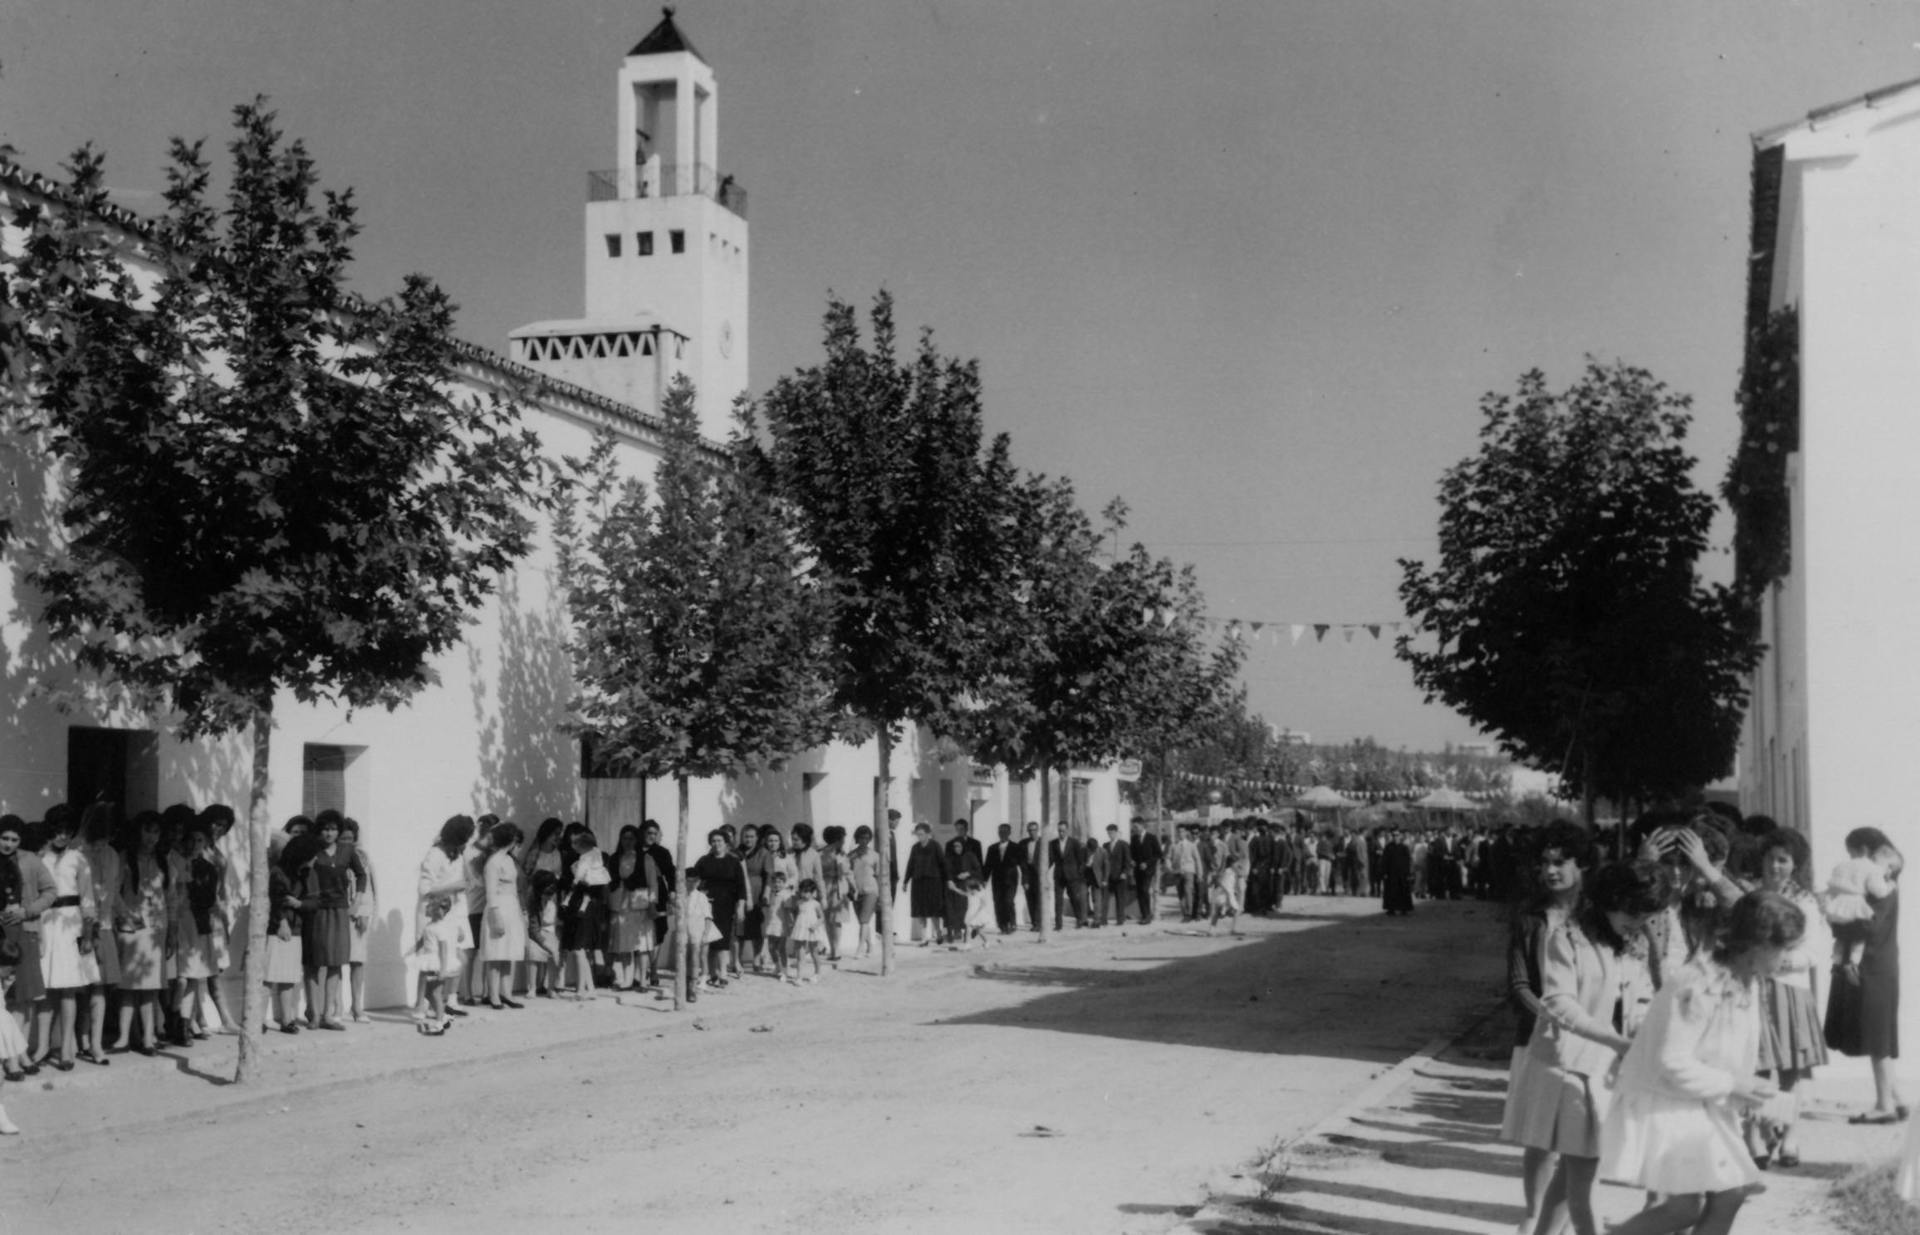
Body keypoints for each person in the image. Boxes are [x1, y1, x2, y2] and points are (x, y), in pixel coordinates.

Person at [1599, 891, 1803, 1235]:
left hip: (1695, 1101)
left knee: (1729, 1193)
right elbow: (1671, 1062)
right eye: (1782, 948)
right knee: (1686, 1207)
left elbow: (1727, 1059)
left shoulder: (1747, 983)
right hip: (1661, 1101)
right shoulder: (1698, 983)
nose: (1787, 959)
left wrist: (1752, 1097)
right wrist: (1734, 1086)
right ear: (1755, 944)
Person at [1518, 860, 1667, 1235]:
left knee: (1573, 1172)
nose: (1639, 922)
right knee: (1584, 1177)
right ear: (1610, 900)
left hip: (1606, 1072)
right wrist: (1617, 1041)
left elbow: (1639, 998)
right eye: (1633, 912)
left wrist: (1643, 1031)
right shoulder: (1567, 938)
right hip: (1568, 1068)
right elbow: (1558, 1004)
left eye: (1646, 915)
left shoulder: (1631, 943)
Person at [1499, 820, 1591, 1235]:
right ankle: (1534, 1215)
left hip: (1589, 1041)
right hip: (1540, 1039)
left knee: (1578, 1140)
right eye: (1544, 863)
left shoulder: (1595, 917)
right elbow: (1518, 984)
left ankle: (1562, 1222)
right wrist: (1550, 1019)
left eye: (1560, 862)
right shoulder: (1529, 919)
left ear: (1581, 864)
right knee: (1540, 1138)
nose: (1550, 871)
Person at [1745, 827, 1827, 1168]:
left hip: (1790, 990)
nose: (1775, 866)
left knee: (1791, 1072)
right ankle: (1757, 1133)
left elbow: (1814, 951)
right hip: (1754, 988)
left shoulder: (1804, 902)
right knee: (1757, 1067)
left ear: (1795, 864)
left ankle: (1790, 1135)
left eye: (1783, 860)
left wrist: (1777, 961)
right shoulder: (1750, 895)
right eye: (1770, 858)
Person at [1824, 825, 1904, 1125]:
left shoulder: (1880, 890)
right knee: (1880, 1034)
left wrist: (1837, 922)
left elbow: (1867, 926)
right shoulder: (1885, 884)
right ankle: (1896, 1098)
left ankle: (1884, 1105)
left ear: (1866, 852)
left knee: (1877, 1037)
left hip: (1872, 965)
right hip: (1880, 964)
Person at [32, 807, 95, 1070]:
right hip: (46, 924)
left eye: (68, 831)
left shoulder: (79, 859)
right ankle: (43, 1045)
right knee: (46, 987)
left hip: (71, 925)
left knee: (69, 988)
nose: (63, 836)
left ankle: (67, 1046)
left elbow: (88, 897)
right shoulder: (39, 858)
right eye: (58, 831)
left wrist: (88, 934)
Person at [300, 810, 362, 1031]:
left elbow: (361, 874)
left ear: (339, 831)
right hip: (316, 911)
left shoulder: (347, 850)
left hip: (339, 911)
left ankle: (328, 1015)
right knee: (313, 962)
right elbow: (300, 874)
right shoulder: (312, 850)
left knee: (335, 962)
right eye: (325, 829)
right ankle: (313, 1014)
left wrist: (357, 901)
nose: (329, 833)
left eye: (333, 829)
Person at [413, 815, 475, 1036]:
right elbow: (425, 889)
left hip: (452, 914)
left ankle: (442, 1003)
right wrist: (455, 885)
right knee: (429, 962)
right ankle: (421, 1005)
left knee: (452, 961)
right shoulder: (435, 854)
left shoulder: (455, 854)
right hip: (433, 913)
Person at [112, 812, 166, 1054]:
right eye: (147, 831)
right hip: (132, 929)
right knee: (128, 986)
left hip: (155, 930)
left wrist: (170, 928)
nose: (151, 837)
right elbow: (114, 891)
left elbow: (170, 896)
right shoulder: (124, 858)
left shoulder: (163, 860)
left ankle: (147, 1038)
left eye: (156, 832)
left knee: (150, 988)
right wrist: (126, 914)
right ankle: (124, 1037)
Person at [169, 820, 227, 1042]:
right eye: (191, 839)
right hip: (178, 922)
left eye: (199, 840)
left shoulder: (207, 868)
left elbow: (209, 898)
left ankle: (184, 1024)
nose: (194, 844)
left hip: (197, 923)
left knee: (192, 976)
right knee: (181, 979)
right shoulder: (174, 860)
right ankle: (174, 1019)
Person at [77, 803, 122, 1061]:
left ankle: (95, 1043)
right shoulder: (76, 853)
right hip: (80, 927)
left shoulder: (113, 855)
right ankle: (81, 1038)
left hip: (103, 928)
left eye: (106, 839)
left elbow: (114, 892)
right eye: (97, 840)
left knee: (99, 988)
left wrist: (124, 915)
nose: (101, 845)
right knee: (81, 987)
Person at [1822, 833, 1894, 970]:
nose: (1850, 856)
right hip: (1856, 906)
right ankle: (1853, 963)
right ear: (1866, 850)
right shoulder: (1871, 868)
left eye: (1850, 852)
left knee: (1841, 937)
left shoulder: (1841, 866)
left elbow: (1832, 886)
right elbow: (1878, 891)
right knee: (1859, 937)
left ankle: (1836, 961)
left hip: (1837, 906)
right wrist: (1889, 885)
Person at [268, 836, 317, 1033]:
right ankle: (258, 1019)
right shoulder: (278, 872)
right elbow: (275, 899)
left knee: (287, 976)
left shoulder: (303, 874)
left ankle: (287, 1019)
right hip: (279, 928)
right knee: (269, 975)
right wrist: (281, 922)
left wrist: (300, 904)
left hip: (296, 928)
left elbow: (313, 899)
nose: (314, 859)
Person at [606, 825, 660, 992]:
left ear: (637, 840)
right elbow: (609, 882)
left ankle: (642, 980)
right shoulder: (615, 858)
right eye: (625, 838)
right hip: (621, 905)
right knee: (624, 945)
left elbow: (653, 883)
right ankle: (627, 979)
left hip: (639, 905)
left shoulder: (646, 859)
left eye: (631, 838)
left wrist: (652, 903)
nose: (627, 842)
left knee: (642, 946)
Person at [689, 829, 747, 989]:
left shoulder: (733, 862)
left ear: (726, 843)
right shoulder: (704, 861)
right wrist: (700, 895)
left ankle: (723, 973)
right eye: (713, 841)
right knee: (708, 938)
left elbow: (741, 886)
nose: (716, 844)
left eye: (719, 841)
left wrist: (741, 906)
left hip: (726, 904)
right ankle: (711, 973)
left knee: (723, 938)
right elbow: (694, 879)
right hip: (707, 905)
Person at [480, 822, 526, 1010]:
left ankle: (506, 993)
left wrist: (520, 913)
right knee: (496, 953)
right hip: (498, 907)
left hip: (511, 907)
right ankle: (493, 995)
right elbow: (491, 892)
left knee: (509, 953)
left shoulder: (509, 860)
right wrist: (495, 916)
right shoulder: (493, 862)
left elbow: (514, 889)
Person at [560, 828, 610, 998]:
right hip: (583, 907)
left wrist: (576, 884)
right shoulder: (594, 860)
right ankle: (589, 988)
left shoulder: (586, 862)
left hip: (584, 908)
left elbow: (582, 882)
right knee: (581, 950)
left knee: (579, 949)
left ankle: (583, 988)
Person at [338, 817, 377, 1023]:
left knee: (357, 961)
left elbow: (369, 887)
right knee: (335, 962)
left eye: (350, 838)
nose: (347, 842)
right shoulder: (331, 856)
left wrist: (363, 912)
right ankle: (337, 1007)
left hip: (357, 914)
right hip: (337, 913)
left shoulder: (362, 857)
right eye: (343, 838)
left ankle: (356, 1006)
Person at [904, 821, 948, 945]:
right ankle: (924, 938)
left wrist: (947, 880)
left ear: (928, 834)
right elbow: (910, 864)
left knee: (934, 910)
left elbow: (943, 864)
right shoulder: (915, 848)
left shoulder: (935, 846)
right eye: (918, 834)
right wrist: (906, 881)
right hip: (918, 882)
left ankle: (938, 933)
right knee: (920, 911)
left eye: (922, 834)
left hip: (934, 882)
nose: (919, 837)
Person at [524, 870, 562, 998]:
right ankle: (532, 987)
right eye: (546, 894)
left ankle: (551, 988)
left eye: (551, 894)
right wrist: (549, 946)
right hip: (536, 932)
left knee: (554, 953)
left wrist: (553, 948)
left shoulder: (556, 896)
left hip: (551, 930)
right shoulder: (532, 900)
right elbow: (533, 930)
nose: (549, 897)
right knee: (532, 952)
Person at [818, 825, 850, 963]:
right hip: (827, 886)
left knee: (836, 919)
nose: (843, 841)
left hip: (840, 888)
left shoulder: (842, 854)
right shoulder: (821, 853)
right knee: (828, 919)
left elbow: (848, 871)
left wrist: (852, 887)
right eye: (842, 838)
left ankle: (836, 949)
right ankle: (833, 948)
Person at [848, 825, 881, 959]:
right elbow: (848, 873)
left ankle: (860, 948)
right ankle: (870, 946)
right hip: (856, 891)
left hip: (871, 890)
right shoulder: (851, 855)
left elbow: (878, 875)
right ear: (857, 838)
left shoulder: (875, 855)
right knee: (862, 922)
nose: (864, 840)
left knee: (864, 920)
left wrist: (880, 896)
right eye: (862, 837)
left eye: (867, 838)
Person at [982, 824, 1022, 934]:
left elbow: (1022, 864)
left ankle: (1011, 923)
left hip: (1011, 880)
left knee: (1008, 901)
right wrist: (984, 880)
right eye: (1000, 832)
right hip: (997, 880)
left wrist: (1026, 880)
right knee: (998, 902)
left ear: (1009, 833)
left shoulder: (1016, 847)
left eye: (1005, 832)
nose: (1002, 834)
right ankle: (1002, 925)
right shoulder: (992, 848)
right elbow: (988, 865)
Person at [787, 877, 827, 982]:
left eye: (807, 892)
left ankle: (817, 973)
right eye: (802, 892)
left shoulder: (816, 904)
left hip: (812, 930)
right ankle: (799, 976)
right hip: (801, 930)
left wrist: (815, 925)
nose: (804, 894)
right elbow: (795, 914)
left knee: (814, 952)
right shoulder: (798, 903)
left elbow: (822, 917)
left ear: (813, 892)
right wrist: (793, 923)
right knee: (800, 953)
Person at [1130, 818, 1164, 924]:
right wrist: (1132, 861)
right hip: (1137, 870)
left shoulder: (1151, 838)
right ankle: (1144, 915)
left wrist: (1147, 863)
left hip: (1148, 870)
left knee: (1145, 890)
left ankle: (1148, 915)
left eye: (1136, 827)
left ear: (1142, 825)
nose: (1134, 829)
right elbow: (1132, 853)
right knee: (1139, 892)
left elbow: (1158, 854)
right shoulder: (1134, 838)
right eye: (1133, 827)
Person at [763, 870, 794, 980]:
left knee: (781, 949)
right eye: (775, 882)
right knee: (771, 948)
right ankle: (777, 966)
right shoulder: (772, 893)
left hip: (782, 925)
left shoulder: (786, 895)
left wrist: (791, 923)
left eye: (780, 882)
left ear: (784, 883)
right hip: (772, 924)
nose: (777, 884)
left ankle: (784, 971)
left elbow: (789, 911)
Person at [1381, 828, 1415, 916]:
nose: (1395, 837)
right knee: (1391, 891)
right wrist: (1384, 872)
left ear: (1400, 836)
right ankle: (1391, 909)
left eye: (1397, 835)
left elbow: (1408, 861)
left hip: (1402, 874)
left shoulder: (1404, 847)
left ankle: (1404, 909)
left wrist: (1409, 873)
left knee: (1403, 891)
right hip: (1391, 874)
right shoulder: (1388, 847)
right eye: (1394, 835)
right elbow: (1384, 861)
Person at [1103, 825, 1133, 925]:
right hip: (1108, 876)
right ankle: (1103, 919)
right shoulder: (1105, 845)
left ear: (1116, 832)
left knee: (1120, 898)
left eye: (1111, 833)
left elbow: (1127, 860)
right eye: (1108, 833)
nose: (1110, 835)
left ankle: (1120, 919)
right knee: (1105, 898)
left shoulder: (1123, 844)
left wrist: (1125, 872)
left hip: (1120, 876)